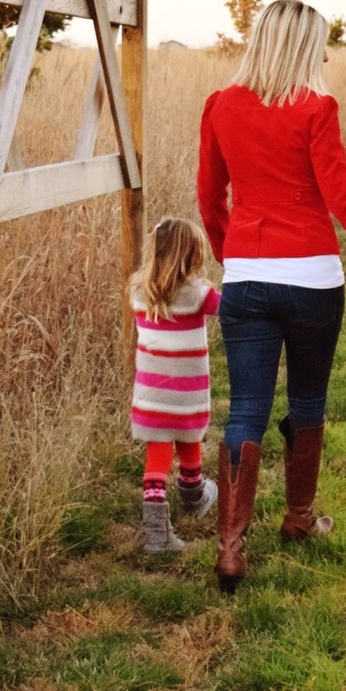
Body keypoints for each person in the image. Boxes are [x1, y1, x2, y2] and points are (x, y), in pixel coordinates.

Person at [197, 0, 346, 594]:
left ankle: (231, 549)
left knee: (245, 408)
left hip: (246, 276)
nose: (324, 53)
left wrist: (232, 254)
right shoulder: (317, 107)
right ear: (299, 46)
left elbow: (208, 197)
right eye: (318, 43)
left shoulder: (220, 107)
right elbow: (343, 199)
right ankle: (297, 520)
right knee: (309, 398)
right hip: (314, 279)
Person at [129, 217, 221, 553]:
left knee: (157, 459)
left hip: (151, 396)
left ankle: (156, 532)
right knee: (190, 442)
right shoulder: (199, 294)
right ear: (193, 255)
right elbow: (230, 309)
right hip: (187, 395)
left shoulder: (139, 290)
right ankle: (194, 498)